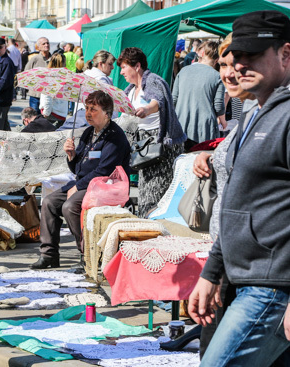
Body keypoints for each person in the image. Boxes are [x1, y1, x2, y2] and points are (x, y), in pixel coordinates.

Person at [188, 11, 290, 366]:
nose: (240, 66)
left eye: (252, 56)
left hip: (272, 288)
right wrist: (212, 272)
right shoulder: (253, 113)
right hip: (246, 278)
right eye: (236, 57)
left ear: (285, 54)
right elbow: (236, 203)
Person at [190, 33, 256, 358]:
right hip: (226, 253)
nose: (229, 72)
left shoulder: (269, 116)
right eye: (223, 64)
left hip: (246, 262)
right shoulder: (250, 113)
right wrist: (210, 156)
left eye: (237, 64)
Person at [30, 91, 131, 270]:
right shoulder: (88, 132)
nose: (88, 113)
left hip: (105, 188)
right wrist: (72, 156)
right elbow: (78, 169)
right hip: (86, 184)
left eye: (94, 109)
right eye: (87, 108)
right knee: (49, 202)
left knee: (70, 207)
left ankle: (88, 254)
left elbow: (104, 171)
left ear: (107, 113)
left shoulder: (115, 136)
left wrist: (78, 186)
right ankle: (49, 255)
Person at [118, 47, 186, 217]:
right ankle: (147, 228)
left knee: (156, 194)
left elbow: (158, 100)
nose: (121, 72)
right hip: (145, 146)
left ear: (137, 66)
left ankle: (155, 231)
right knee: (146, 192)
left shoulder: (153, 81)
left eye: (124, 67)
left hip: (161, 144)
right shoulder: (131, 90)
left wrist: (147, 109)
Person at [173, 41, 226, 144]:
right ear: (217, 60)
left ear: (202, 54)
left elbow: (173, 99)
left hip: (181, 124)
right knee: (201, 157)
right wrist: (223, 122)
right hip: (204, 128)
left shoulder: (183, 71)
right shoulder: (217, 76)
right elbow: (218, 105)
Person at [39, 53, 68, 128]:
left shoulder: (49, 77)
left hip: (52, 113)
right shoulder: (64, 77)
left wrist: (46, 112)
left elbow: (47, 96)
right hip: (61, 112)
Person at [24, 37, 51, 112]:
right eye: (44, 43)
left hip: (49, 96)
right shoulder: (34, 59)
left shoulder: (53, 59)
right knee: (35, 118)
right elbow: (26, 73)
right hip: (36, 95)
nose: (46, 45)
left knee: (47, 120)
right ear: (39, 47)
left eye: (47, 43)